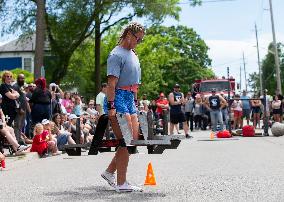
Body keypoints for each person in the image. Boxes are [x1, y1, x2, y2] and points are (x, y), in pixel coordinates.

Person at [101, 22, 145, 192]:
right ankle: (121, 183)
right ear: (128, 34)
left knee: (131, 140)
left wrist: (135, 102)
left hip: (129, 98)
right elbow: (111, 84)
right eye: (137, 39)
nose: (138, 42)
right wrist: (111, 105)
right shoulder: (115, 55)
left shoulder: (133, 54)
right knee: (126, 140)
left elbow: (135, 83)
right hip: (117, 97)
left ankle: (109, 172)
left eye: (141, 40)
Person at [13, 74, 29, 143]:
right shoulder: (15, 86)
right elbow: (15, 99)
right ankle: (17, 141)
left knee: (21, 125)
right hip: (19, 110)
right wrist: (19, 108)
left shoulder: (21, 87)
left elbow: (23, 97)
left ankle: (19, 140)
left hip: (24, 109)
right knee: (17, 125)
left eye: (23, 78)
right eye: (21, 78)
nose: (22, 80)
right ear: (17, 79)